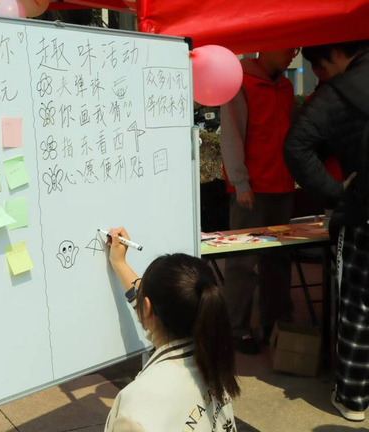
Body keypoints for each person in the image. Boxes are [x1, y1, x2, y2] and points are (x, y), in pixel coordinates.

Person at [283, 39, 369, 422]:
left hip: (363, 215)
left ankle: (352, 398)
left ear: (334, 54)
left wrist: (337, 193)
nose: (320, 76)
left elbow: (296, 147)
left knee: (358, 307)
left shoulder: (339, 92)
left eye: (320, 67)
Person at [104, 227, 239, 431]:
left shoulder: (135, 408)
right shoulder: (212, 356)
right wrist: (119, 263)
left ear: (146, 309)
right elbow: (157, 305)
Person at [219, 49, 299, 355]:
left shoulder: (286, 85)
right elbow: (231, 135)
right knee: (242, 261)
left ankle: (275, 323)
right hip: (251, 190)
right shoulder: (240, 81)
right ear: (269, 46)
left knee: (278, 259)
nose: (293, 54)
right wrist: (241, 183)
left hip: (281, 186)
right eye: (289, 48)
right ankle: (235, 328)